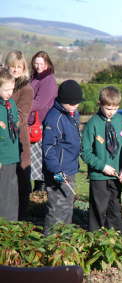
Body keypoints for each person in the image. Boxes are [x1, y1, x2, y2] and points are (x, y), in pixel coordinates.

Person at [81, 86, 122, 233]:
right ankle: (95, 237)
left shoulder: (121, 122)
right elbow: (85, 152)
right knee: (99, 208)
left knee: (115, 207)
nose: (111, 112)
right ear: (100, 104)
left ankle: (117, 238)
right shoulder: (92, 124)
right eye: (108, 108)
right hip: (99, 175)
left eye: (115, 109)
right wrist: (102, 166)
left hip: (117, 174)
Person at [42, 80, 84, 235]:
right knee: (56, 210)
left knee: (67, 207)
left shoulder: (73, 114)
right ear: (63, 101)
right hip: (58, 172)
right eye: (72, 104)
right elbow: (48, 148)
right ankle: (50, 242)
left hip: (70, 169)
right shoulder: (54, 118)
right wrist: (56, 171)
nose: (75, 106)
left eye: (77, 103)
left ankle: (64, 243)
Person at [5, 50, 34, 220]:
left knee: (21, 182)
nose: (15, 70)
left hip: (18, 140)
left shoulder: (26, 89)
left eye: (18, 67)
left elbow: (21, 117)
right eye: (12, 66)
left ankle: (21, 220)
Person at [29, 51, 58, 192]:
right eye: (36, 63)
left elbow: (39, 103)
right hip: (31, 122)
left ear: (47, 64)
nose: (38, 66)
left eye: (41, 63)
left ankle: (39, 193)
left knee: (39, 162)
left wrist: (19, 104)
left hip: (41, 124)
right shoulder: (35, 77)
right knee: (33, 162)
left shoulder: (49, 80)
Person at [0, 68, 19, 221]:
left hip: (12, 155)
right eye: (6, 89)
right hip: (2, 157)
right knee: (3, 195)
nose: (9, 92)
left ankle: (11, 226)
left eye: (11, 89)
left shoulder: (11, 103)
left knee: (11, 193)